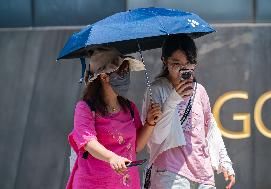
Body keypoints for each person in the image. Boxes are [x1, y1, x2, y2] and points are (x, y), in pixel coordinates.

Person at [142, 34, 236, 189]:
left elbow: (210, 128)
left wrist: (224, 162)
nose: (183, 69)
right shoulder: (156, 90)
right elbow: (156, 137)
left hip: (203, 173)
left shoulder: (200, 91)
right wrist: (174, 99)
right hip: (169, 171)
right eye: (176, 64)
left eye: (189, 64)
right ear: (165, 61)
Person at [66, 46, 162, 189]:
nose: (126, 76)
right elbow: (88, 143)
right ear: (104, 77)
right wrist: (112, 158)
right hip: (93, 184)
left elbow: (135, 147)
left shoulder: (129, 107)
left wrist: (149, 123)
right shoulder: (85, 108)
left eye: (127, 71)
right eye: (121, 72)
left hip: (127, 184)